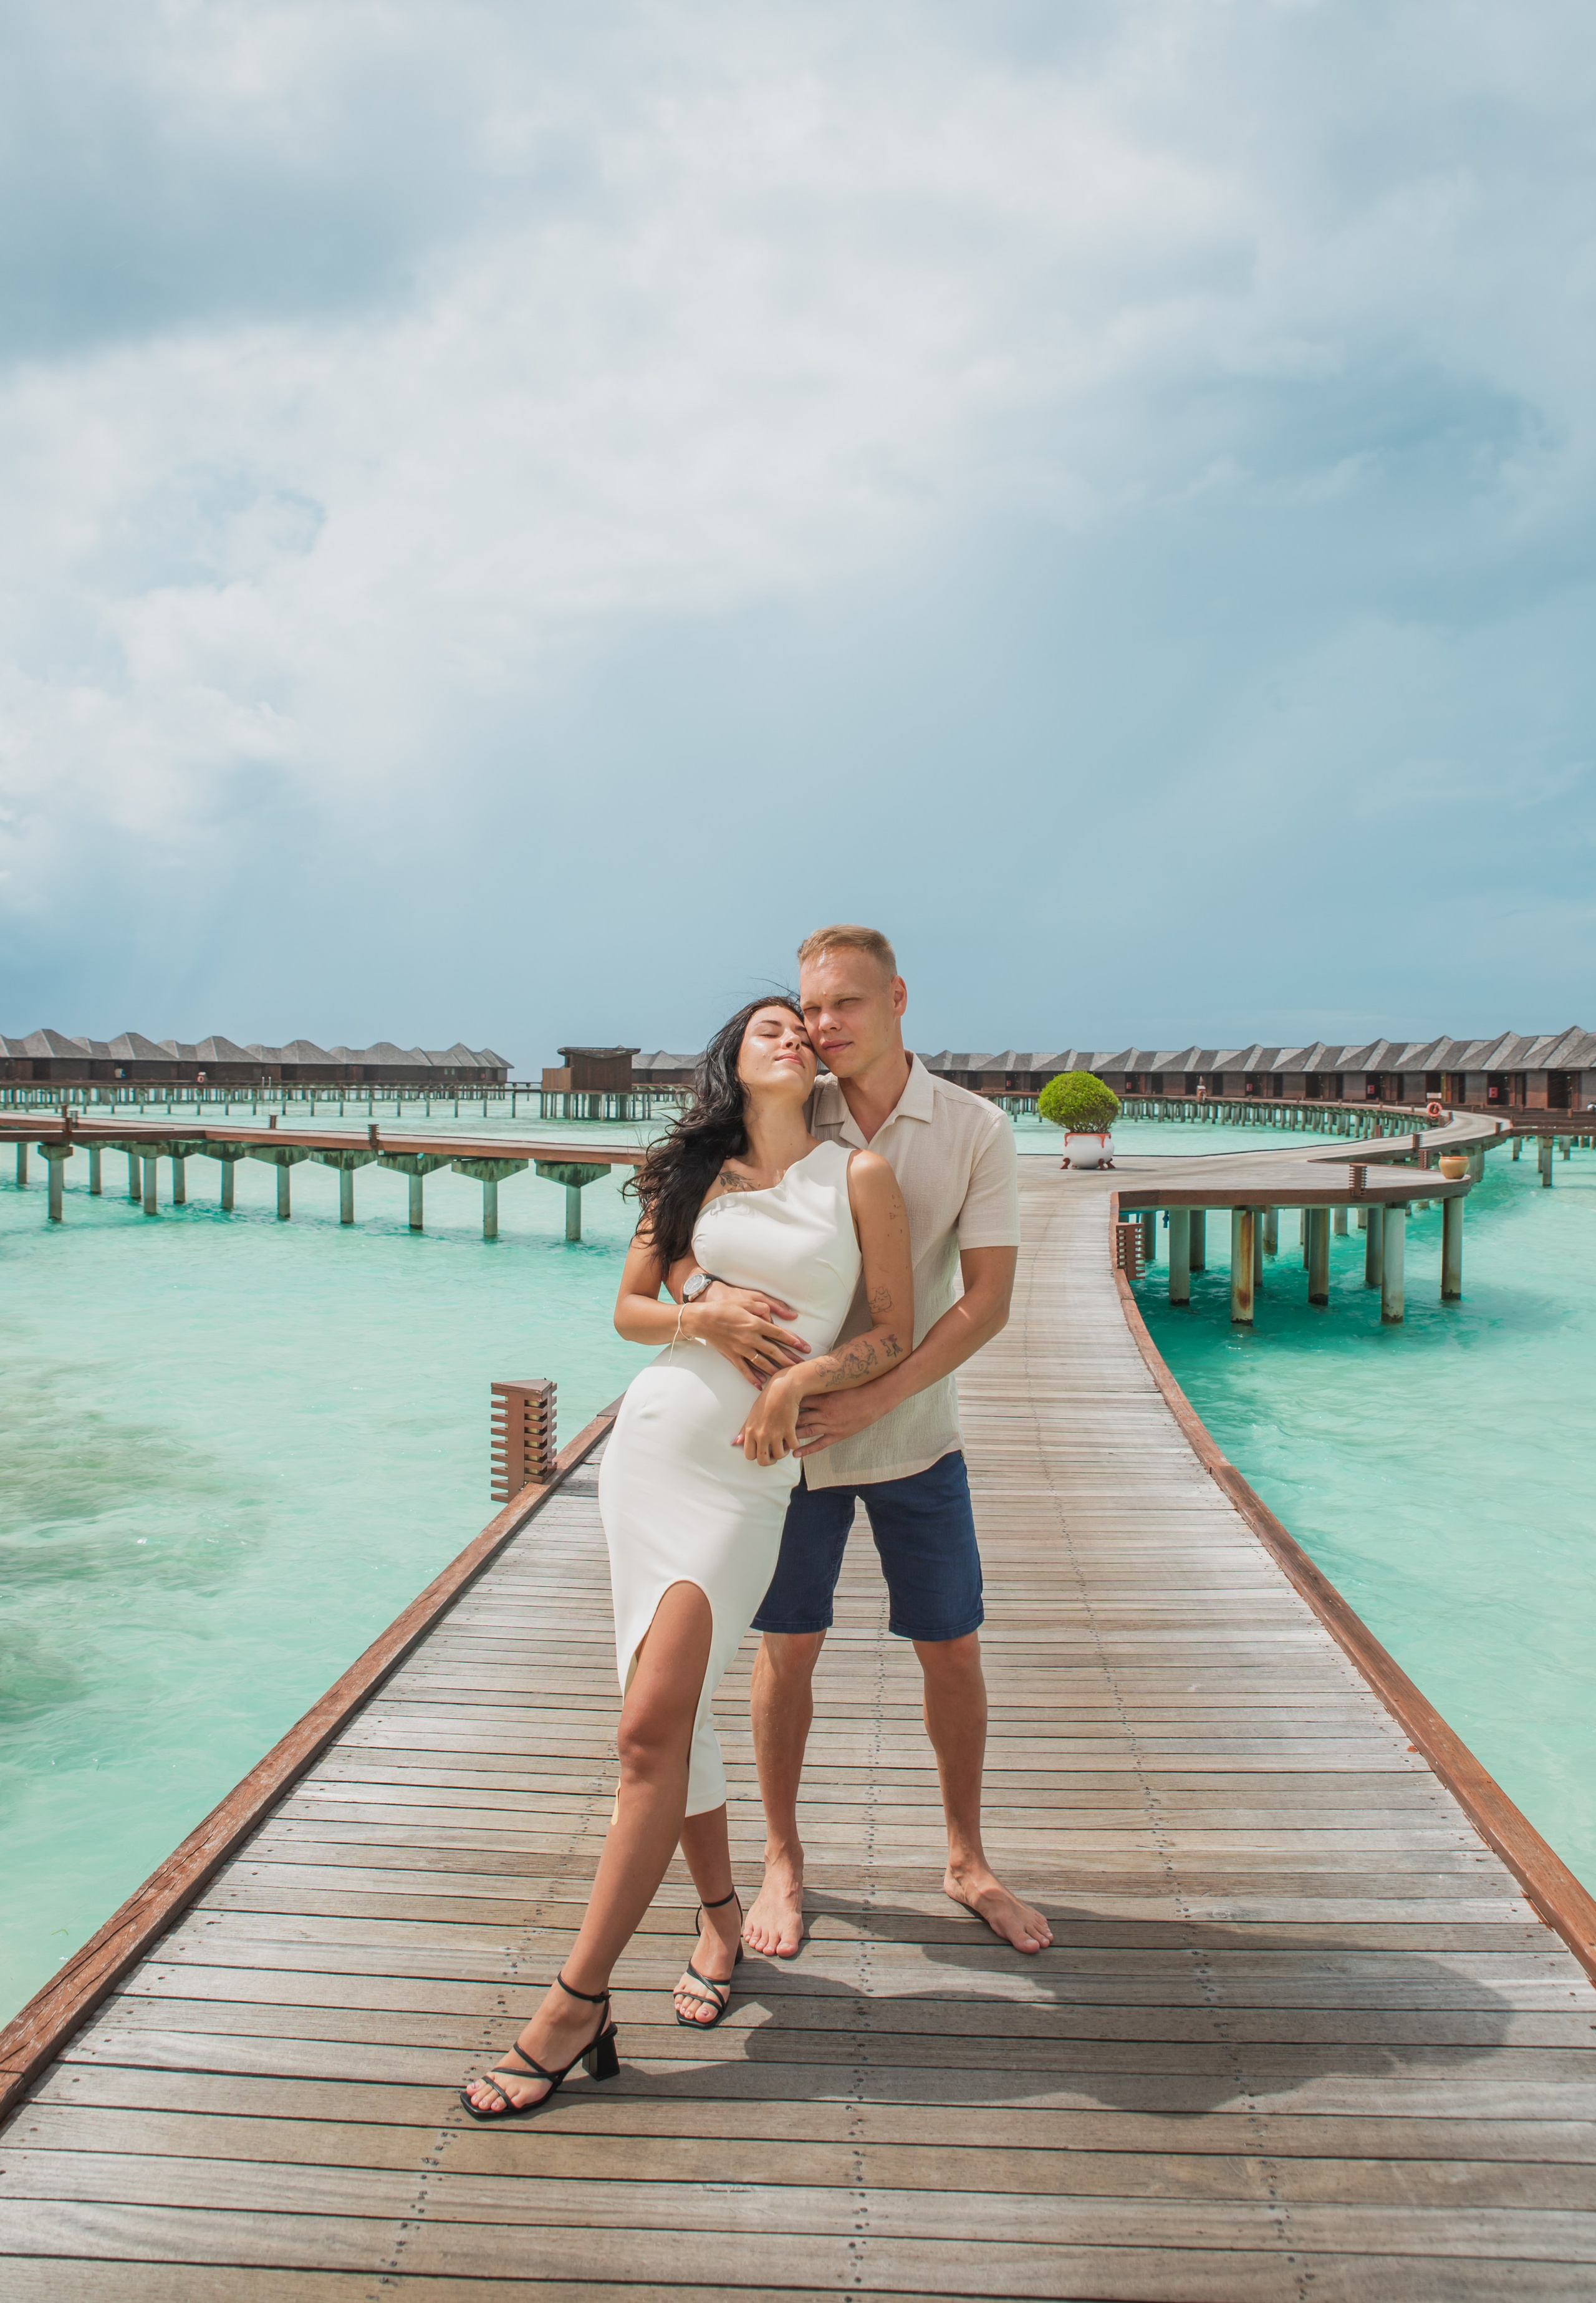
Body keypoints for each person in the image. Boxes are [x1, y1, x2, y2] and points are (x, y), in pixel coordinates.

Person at [459, 995, 911, 2119]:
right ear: (736, 1055)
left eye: (804, 1028)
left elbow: (893, 1329)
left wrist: (804, 1381)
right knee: (669, 1721)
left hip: (745, 1472)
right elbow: (626, 1308)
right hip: (650, 1449)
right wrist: (699, 1318)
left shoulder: (858, 1176)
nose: (793, 1035)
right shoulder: (695, 1176)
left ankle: (574, 2003)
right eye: (770, 1025)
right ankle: (717, 1919)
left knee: (648, 1725)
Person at [681, 926, 1052, 1959]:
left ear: (898, 999)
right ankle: (784, 1860)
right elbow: (690, 1233)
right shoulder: (794, 1103)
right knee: (784, 1646)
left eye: (845, 1004)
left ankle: (967, 1857)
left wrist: (874, 1396)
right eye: (812, 1010)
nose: (823, 1027)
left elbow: (986, 1304)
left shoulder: (974, 1127)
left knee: (952, 1646)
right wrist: (705, 1301)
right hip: (784, 1442)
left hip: (919, 1434)